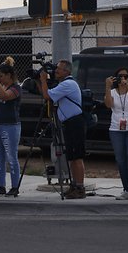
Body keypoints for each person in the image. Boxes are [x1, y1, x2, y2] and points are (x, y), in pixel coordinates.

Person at [39, 59, 86, 199]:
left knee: (77, 156)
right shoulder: (63, 84)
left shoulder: (68, 84)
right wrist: (40, 82)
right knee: (71, 157)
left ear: (67, 71)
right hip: (69, 123)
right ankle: (75, 185)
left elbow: (47, 95)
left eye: (58, 69)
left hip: (75, 122)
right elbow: (47, 94)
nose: (55, 71)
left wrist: (43, 80)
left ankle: (80, 187)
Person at [104, 68, 128, 201]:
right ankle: (126, 189)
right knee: (121, 160)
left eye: (126, 76)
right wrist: (107, 87)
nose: (123, 79)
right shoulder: (113, 92)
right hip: (116, 128)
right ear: (116, 78)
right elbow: (108, 105)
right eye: (120, 76)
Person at [0, 59, 22, 196]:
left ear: (9, 75)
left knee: (11, 156)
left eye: (1, 76)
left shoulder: (15, 88)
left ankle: (15, 186)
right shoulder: (0, 89)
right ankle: (1, 185)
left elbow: (4, 96)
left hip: (10, 126)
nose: (0, 79)